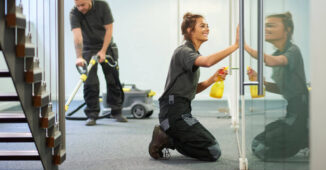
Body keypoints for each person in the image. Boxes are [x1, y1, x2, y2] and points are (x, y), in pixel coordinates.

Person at [148, 12, 239, 161]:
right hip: (173, 113)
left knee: (212, 148)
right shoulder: (184, 51)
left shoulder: (192, 53)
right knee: (213, 151)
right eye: (202, 26)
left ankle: (168, 135)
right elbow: (208, 62)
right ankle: (166, 138)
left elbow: (190, 90)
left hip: (181, 110)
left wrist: (212, 79)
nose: (207, 29)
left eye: (207, 26)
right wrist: (235, 46)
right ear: (190, 30)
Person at [245, 12, 309, 161]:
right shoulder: (277, 52)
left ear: (287, 30)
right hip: (291, 111)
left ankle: (305, 135)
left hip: (301, 111)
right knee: (260, 141)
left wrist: (246, 48)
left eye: (271, 25)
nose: (266, 29)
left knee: (264, 151)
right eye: (265, 26)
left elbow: (273, 61)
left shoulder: (293, 51)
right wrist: (264, 84)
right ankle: (305, 136)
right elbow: (284, 89)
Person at [70, 0, 127, 126]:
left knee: (113, 80)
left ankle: (116, 111)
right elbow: (77, 36)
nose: (80, 8)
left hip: (107, 46)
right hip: (88, 49)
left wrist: (103, 51)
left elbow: (109, 29)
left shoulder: (103, 6)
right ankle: (92, 115)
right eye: (77, 5)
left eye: (82, 5)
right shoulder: (74, 13)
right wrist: (79, 57)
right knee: (90, 83)